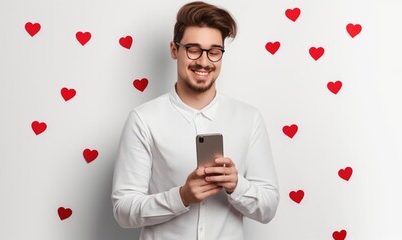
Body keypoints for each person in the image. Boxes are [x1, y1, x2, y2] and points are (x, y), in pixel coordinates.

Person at [111, 1, 279, 239]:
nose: (203, 61)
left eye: (214, 51)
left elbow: (268, 208)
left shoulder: (248, 118)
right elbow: (123, 210)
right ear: (173, 49)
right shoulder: (143, 120)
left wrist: (236, 185)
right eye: (193, 49)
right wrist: (181, 197)